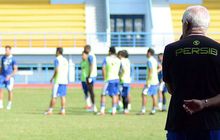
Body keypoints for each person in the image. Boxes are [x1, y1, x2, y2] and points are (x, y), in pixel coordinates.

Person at [163, 5, 220, 140]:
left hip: (179, 122)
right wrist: (204, 103)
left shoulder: (171, 49)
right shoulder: (218, 49)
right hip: (213, 123)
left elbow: (170, 89)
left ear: (186, 24)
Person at [45, 47, 68, 115]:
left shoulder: (56, 60)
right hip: (64, 80)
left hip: (58, 80)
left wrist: (52, 77)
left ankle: (50, 110)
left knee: (54, 96)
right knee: (63, 96)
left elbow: (57, 70)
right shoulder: (65, 60)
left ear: (58, 52)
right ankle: (63, 110)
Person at [99, 47, 121, 115]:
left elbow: (103, 68)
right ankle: (114, 110)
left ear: (110, 52)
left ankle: (102, 110)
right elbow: (120, 70)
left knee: (103, 94)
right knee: (114, 95)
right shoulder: (118, 60)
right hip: (116, 79)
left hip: (109, 79)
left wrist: (104, 77)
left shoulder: (107, 58)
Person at [139, 48, 159, 115]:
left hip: (151, 81)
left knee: (144, 94)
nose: (146, 54)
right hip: (155, 80)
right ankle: (153, 110)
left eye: (147, 52)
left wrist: (148, 81)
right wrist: (155, 73)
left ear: (149, 53)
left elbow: (150, 70)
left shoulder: (149, 60)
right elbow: (160, 67)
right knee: (154, 95)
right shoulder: (155, 60)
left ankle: (143, 110)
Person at [0, 45, 18, 110]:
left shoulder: (13, 59)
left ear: (10, 50)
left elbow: (15, 69)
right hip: (2, 76)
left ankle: (9, 104)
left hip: (9, 77)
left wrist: (10, 76)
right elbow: (1, 67)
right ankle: (1, 103)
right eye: (5, 50)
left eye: (7, 50)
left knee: (9, 90)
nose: (6, 51)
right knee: (0, 89)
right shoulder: (3, 58)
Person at [84, 45, 98, 113]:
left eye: (84, 49)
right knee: (91, 91)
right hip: (93, 75)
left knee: (91, 91)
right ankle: (93, 106)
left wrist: (89, 75)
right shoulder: (93, 55)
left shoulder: (90, 55)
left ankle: (94, 106)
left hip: (91, 76)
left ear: (87, 49)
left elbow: (91, 65)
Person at [118, 50, 131, 114]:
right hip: (128, 80)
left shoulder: (121, 61)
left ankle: (124, 108)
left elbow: (120, 70)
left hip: (122, 80)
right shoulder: (128, 60)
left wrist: (119, 75)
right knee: (126, 94)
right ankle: (127, 107)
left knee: (123, 95)